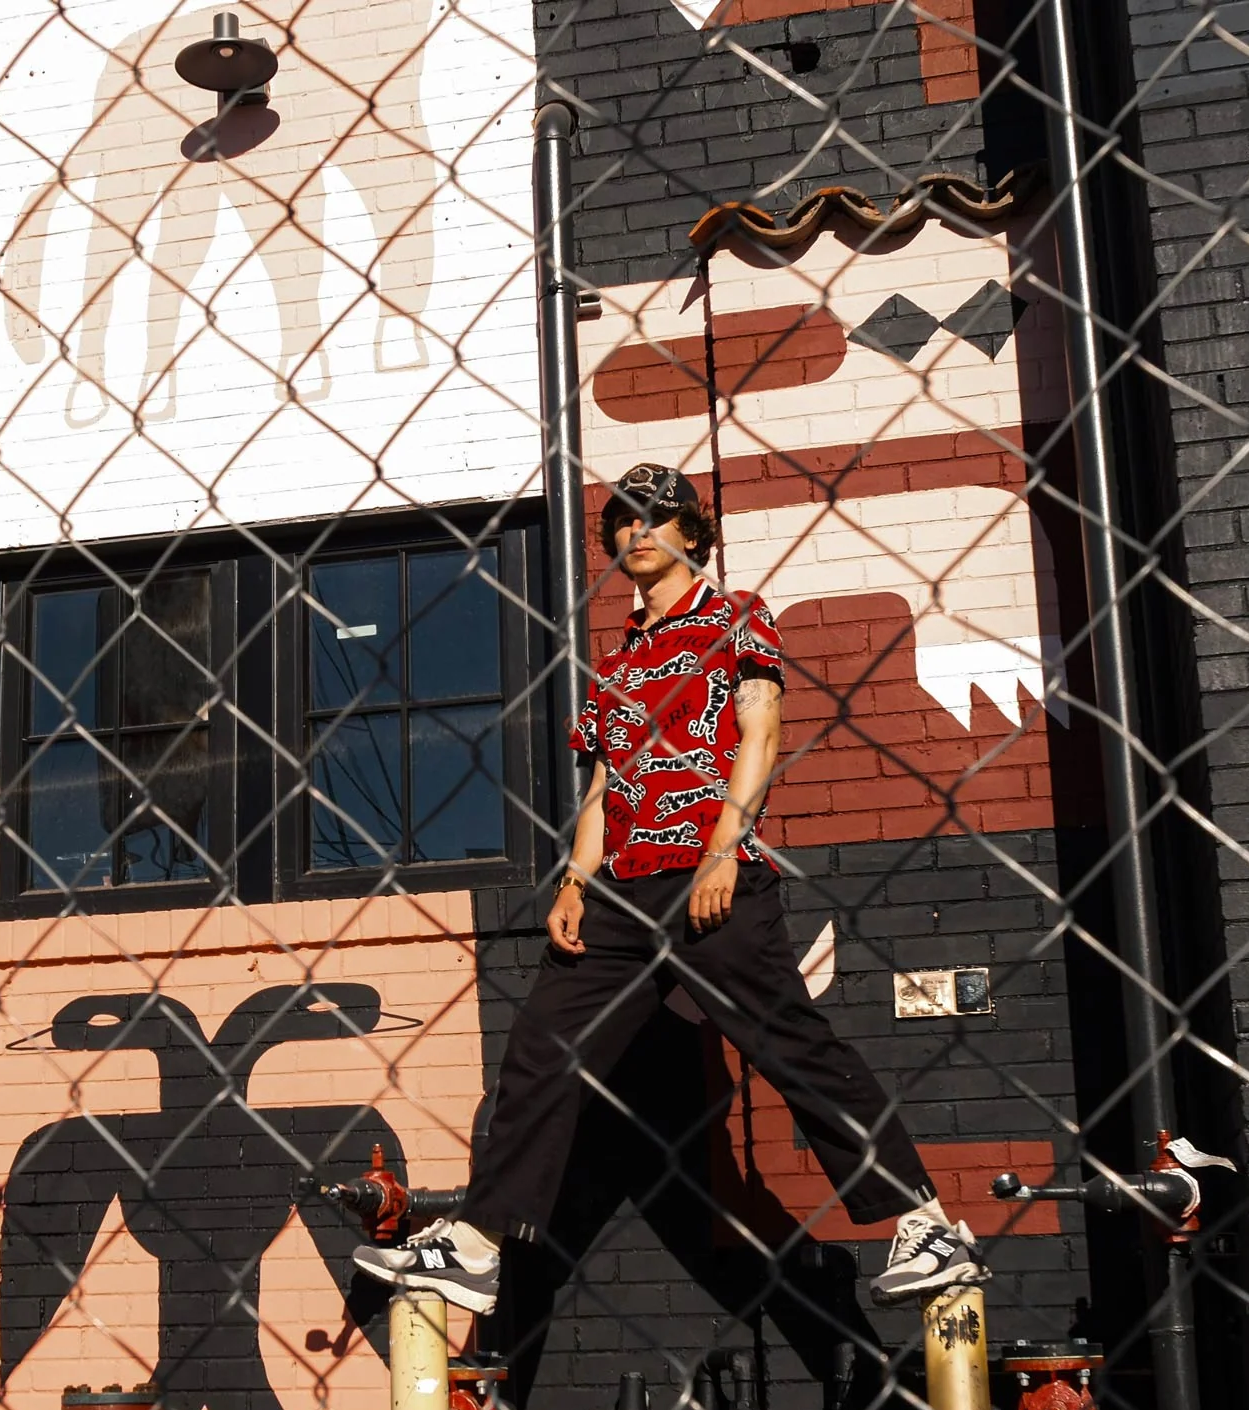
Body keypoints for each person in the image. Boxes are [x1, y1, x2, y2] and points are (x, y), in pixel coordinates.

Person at [351, 464, 987, 1315]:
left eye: (658, 516)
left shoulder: (736, 615)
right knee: (541, 1045)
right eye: (624, 518)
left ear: (691, 533)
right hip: (619, 892)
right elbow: (602, 787)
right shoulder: (616, 662)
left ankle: (926, 1224)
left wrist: (723, 850)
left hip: (712, 874)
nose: (638, 530)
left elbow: (762, 732)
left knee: (789, 1042)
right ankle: (477, 1244)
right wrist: (574, 882)